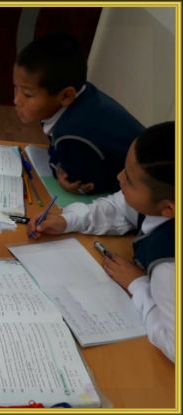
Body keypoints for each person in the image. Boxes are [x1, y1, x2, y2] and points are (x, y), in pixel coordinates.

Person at [29, 121, 175, 362]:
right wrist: (67, 220)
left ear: (169, 208)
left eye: (129, 180)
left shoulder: (169, 269)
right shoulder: (160, 202)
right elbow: (117, 208)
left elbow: (174, 345)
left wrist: (138, 285)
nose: (119, 177)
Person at [13, 32, 144, 195]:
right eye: (15, 88)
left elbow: (77, 181)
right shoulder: (83, 93)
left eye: (27, 95)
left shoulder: (74, 133)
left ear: (66, 96)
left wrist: (57, 169)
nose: (16, 100)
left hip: (143, 192)